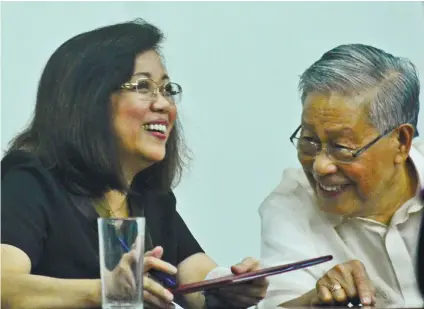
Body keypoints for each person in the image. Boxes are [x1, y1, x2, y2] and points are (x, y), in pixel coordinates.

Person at [1, 19, 268, 309]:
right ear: (91, 100)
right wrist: (105, 291)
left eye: (167, 89)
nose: (164, 105)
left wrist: (229, 286)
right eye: (143, 86)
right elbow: (5, 284)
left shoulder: (150, 195)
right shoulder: (31, 181)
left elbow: (197, 278)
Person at [258, 44, 423, 308]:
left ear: (401, 142)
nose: (320, 166)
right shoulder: (292, 204)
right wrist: (313, 302)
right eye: (309, 141)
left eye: (341, 147)